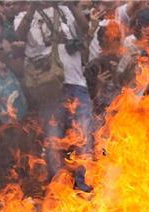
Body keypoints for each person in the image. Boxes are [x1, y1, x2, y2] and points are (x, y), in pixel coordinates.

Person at [14, 1, 91, 181]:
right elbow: (19, 35)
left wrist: (72, 5)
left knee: (84, 137)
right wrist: (33, 8)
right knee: (53, 140)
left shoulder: (66, 11)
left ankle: (83, 183)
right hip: (49, 88)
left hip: (77, 84)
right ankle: (58, 185)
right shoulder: (23, 17)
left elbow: (85, 28)